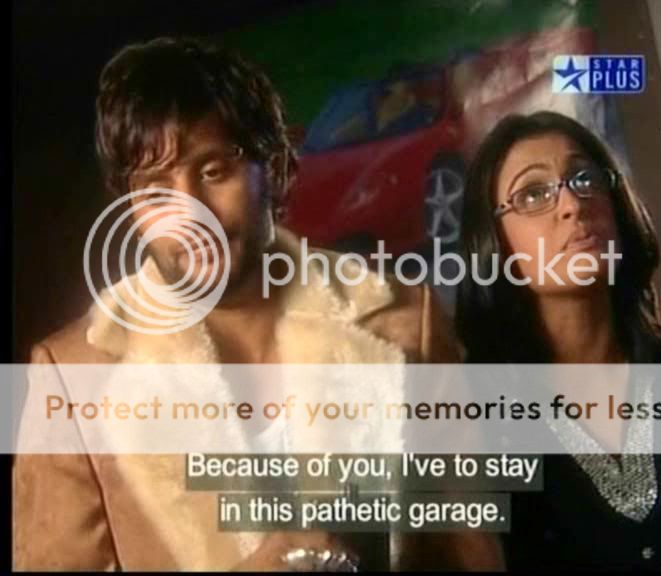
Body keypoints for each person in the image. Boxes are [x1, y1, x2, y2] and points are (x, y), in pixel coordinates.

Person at [13, 37, 503, 571]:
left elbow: (471, 554)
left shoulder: (407, 318)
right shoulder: (72, 376)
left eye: (213, 171)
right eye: (157, 190)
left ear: (273, 169)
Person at [455, 110, 661, 570]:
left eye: (585, 178)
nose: (573, 203)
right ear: (494, 242)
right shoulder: (468, 413)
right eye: (533, 194)